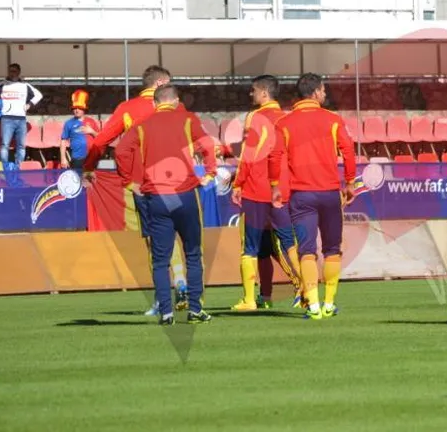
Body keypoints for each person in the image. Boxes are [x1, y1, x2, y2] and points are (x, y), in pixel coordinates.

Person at [84, 65, 188, 315]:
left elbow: (101, 140)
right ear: (160, 83)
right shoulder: (177, 106)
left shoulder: (128, 109)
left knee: (154, 240)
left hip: (144, 184)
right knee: (172, 233)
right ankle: (181, 280)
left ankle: (161, 299)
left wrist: (89, 166)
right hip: (175, 181)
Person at [114, 84, 216, 325]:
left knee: (160, 260)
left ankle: (167, 313)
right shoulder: (188, 120)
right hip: (185, 195)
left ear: (154, 103)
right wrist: (210, 173)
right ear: (177, 101)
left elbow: (121, 151)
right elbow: (208, 145)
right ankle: (195, 310)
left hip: (157, 198)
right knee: (193, 253)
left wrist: (129, 182)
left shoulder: (142, 125)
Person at [271, 73, 357, 320]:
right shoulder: (333, 119)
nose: (325, 94)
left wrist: (275, 185)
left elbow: (275, 157)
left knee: (306, 250)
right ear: (317, 92)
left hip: (301, 196)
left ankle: (314, 305)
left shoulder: (284, 123)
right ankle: (329, 303)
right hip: (329, 194)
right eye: (324, 90)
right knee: (332, 249)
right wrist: (350, 182)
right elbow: (348, 150)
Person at [230, 75, 301, 311]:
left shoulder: (256, 117)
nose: (250, 94)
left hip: (256, 189)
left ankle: (249, 299)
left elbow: (248, 154)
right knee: (283, 242)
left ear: (263, 93)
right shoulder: (288, 118)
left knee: (251, 246)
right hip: (282, 189)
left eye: (253, 90)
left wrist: (238, 184)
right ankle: (302, 289)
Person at [0, 64, 43, 167]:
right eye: (10, 71)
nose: (12, 73)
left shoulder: (25, 85)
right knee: (4, 145)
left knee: (21, 146)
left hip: (21, 119)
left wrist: (29, 104)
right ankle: (4, 168)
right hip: (7, 119)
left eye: (14, 71)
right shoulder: (3, 84)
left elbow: (39, 95)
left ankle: (18, 167)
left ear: (19, 72)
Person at [60, 89, 100, 173]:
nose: (76, 110)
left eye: (79, 108)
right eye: (74, 108)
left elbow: (100, 137)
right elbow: (63, 141)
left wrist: (92, 131)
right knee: (77, 178)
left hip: (91, 157)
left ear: (84, 109)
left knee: (89, 179)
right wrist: (63, 158)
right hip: (77, 158)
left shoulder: (91, 121)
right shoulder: (69, 123)